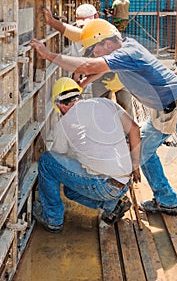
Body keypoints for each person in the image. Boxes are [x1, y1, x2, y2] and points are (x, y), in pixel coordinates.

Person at [30, 19, 177, 241]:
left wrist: (48, 55)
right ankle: (166, 200)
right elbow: (99, 68)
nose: (94, 53)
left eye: (95, 48)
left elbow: (88, 66)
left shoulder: (128, 52)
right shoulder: (124, 48)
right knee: (140, 151)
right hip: (164, 110)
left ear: (106, 43)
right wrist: (83, 84)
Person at [33, 77, 141, 233]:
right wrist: (135, 165)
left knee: (46, 161)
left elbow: (58, 159)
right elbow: (135, 130)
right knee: (70, 190)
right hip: (123, 181)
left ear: (61, 105)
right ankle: (112, 205)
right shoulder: (105, 104)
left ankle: (52, 219)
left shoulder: (64, 124)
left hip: (102, 185)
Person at [43, 5, 134, 116]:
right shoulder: (85, 33)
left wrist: (83, 82)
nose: (83, 29)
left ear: (96, 16)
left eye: (85, 25)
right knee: (100, 106)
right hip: (99, 72)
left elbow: (103, 65)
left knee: (125, 105)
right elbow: (80, 62)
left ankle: (128, 131)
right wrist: (75, 81)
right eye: (81, 26)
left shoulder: (108, 34)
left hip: (121, 72)